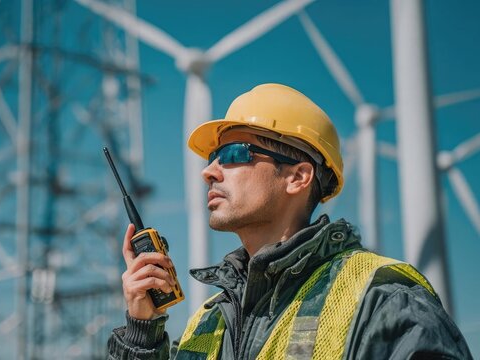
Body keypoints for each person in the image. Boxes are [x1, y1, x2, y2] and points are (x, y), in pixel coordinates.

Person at [107, 83, 472, 359]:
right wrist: (143, 332)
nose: (210, 171)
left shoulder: (382, 300)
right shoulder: (206, 323)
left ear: (298, 177)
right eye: (212, 157)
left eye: (234, 153)